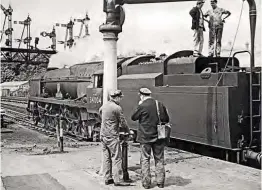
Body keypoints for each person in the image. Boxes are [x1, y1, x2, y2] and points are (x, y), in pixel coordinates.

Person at [131, 88, 170, 189]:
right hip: (159, 137)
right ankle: (160, 182)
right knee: (159, 159)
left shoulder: (142, 106)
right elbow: (166, 119)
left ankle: (146, 184)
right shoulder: (159, 104)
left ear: (142, 95)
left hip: (145, 138)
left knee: (145, 159)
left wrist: (139, 105)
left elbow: (133, 117)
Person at [99, 90, 131, 186]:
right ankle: (118, 180)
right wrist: (128, 131)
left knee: (106, 157)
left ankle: (108, 178)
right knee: (117, 157)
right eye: (120, 97)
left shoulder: (104, 106)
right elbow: (123, 122)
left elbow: (100, 113)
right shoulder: (117, 108)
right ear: (116, 97)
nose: (120, 99)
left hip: (103, 134)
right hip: (112, 136)